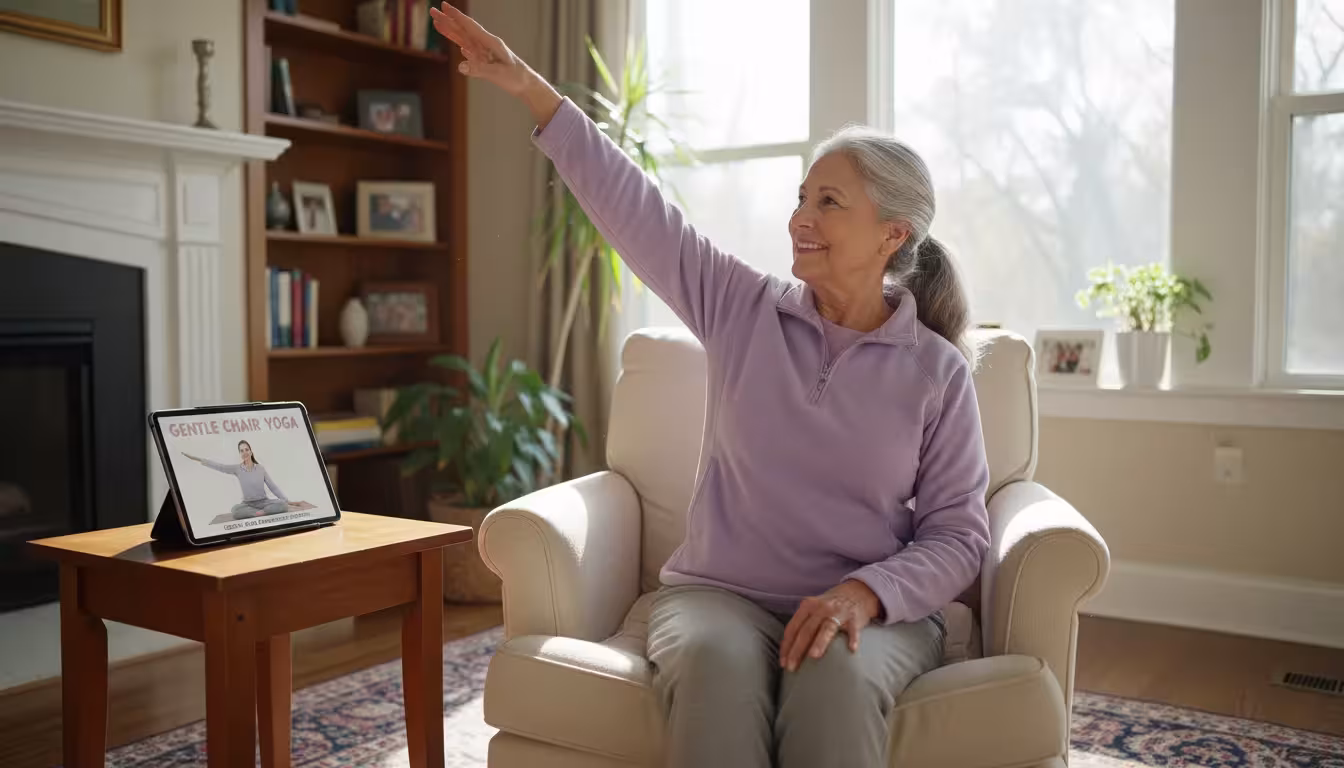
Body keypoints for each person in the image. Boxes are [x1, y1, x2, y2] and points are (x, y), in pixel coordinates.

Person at [429, 6, 991, 767]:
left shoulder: (936, 371)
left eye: (829, 202)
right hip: (717, 597)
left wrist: (866, 594)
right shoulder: (742, 306)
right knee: (717, 669)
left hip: (872, 609)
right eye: (801, 196)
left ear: (894, 233)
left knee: (835, 677)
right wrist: (534, 91)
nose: (801, 218)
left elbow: (959, 536)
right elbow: (639, 211)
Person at [182, 440, 291, 520]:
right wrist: (197, 459)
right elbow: (220, 466)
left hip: (264, 502)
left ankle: (261, 512)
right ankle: (258, 513)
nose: (245, 452)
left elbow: (273, 486)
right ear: (240, 454)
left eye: (247, 449)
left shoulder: (260, 468)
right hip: (248, 504)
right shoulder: (237, 469)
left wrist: (285, 500)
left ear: (251, 452)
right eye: (242, 451)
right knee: (235, 510)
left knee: (283, 505)